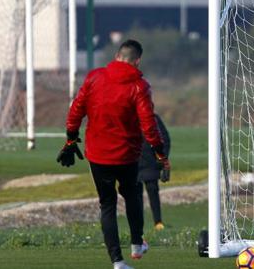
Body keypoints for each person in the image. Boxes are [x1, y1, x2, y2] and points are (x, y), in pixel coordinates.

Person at [57, 39, 170, 269]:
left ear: (117, 56)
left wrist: (70, 138)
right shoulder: (140, 86)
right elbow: (149, 125)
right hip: (127, 156)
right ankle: (137, 244)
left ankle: (117, 262)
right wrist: (160, 154)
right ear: (137, 60)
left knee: (107, 204)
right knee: (133, 195)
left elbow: (76, 109)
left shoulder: (94, 77)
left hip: (98, 156)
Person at [138, 113, 171, 231]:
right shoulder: (128, 117)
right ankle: (137, 225)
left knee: (152, 191)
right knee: (135, 195)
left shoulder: (154, 118)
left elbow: (165, 139)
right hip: (133, 161)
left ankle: (158, 222)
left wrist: (163, 158)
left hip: (151, 162)